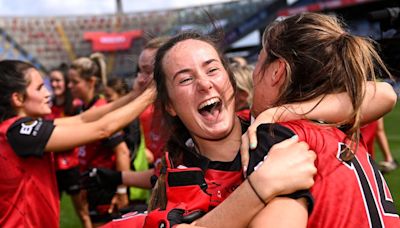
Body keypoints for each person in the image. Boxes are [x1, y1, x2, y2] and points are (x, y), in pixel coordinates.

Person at [97, 26, 396, 227]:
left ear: (230, 81)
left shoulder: (276, 135)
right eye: (185, 79)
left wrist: (278, 112)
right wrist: (256, 190)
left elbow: (381, 94)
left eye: (213, 69)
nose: (204, 84)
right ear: (169, 106)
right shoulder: (179, 169)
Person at [242, 12, 399, 227]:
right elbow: (386, 94)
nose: (254, 73)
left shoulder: (279, 137)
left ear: (277, 71)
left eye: (259, 61)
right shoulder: (340, 124)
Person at [0, 59, 155, 227]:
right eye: (39, 88)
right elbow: (101, 129)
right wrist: (151, 94)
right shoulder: (18, 132)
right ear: (17, 98)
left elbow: (83, 119)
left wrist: (134, 96)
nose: (48, 93)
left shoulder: (17, 130)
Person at [68, 53, 134, 226]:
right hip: (91, 182)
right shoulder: (82, 109)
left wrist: (121, 191)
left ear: (91, 82)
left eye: (75, 82)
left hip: (105, 185)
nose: (70, 86)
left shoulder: (102, 111)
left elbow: (122, 151)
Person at [46, 63, 82, 220]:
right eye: (52, 81)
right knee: (52, 213)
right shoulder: (48, 108)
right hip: (53, 167)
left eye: (58, 80)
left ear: (65, 82)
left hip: (73, 166)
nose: (54, 84)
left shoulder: (76, 106)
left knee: (83, 212)